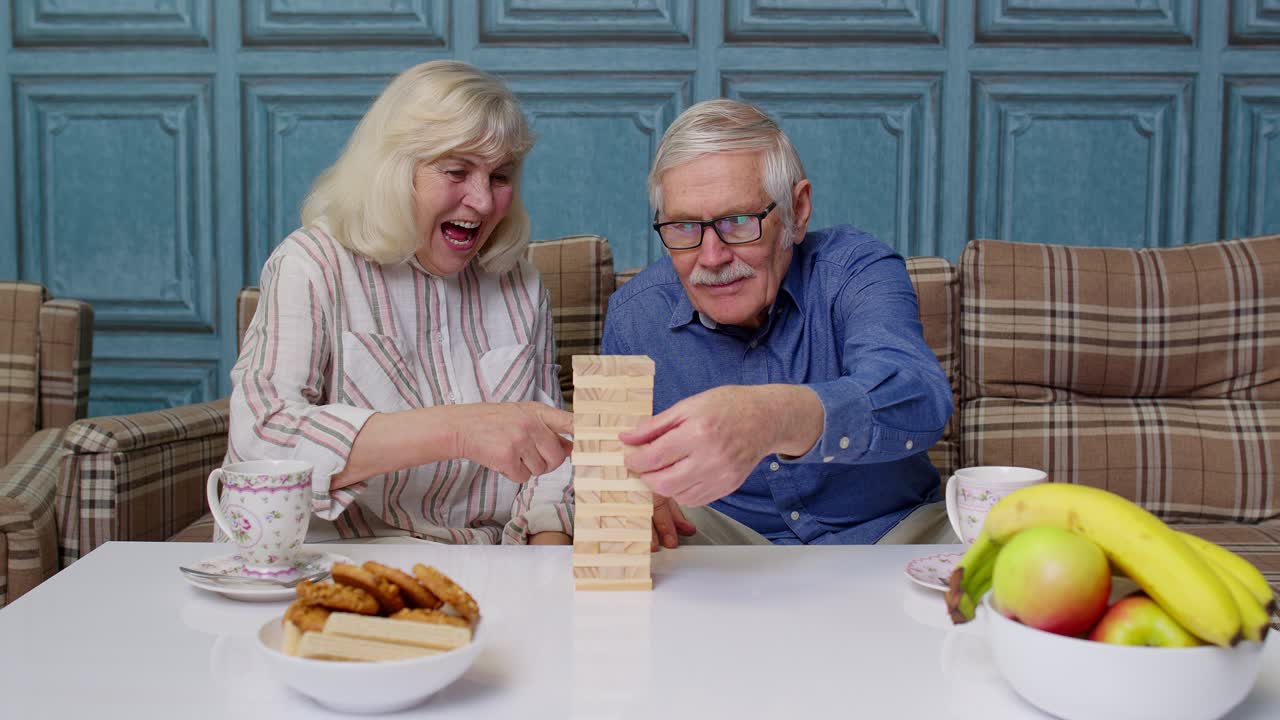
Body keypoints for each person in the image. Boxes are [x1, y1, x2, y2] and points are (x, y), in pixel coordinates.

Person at [227, 60, 574, 546]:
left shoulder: (520, 283)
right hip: (340, 565)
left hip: (493, 568)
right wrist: (459, 430)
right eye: (456, 171)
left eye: (499, 176)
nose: (480, 200)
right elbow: (262, 436)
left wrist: (549, 566)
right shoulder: (312, 264)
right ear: (395, 170)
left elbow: (550, 463)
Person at [603, 99, 954, 548]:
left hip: (888, 535)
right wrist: (629, 496)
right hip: (723, 549)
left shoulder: (857, 269)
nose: (711, 258)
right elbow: (614, 466)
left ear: (797, 210)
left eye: (738, 221)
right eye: (685, 227)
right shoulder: (635, 314)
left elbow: (919, 398)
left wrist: (771, 417)